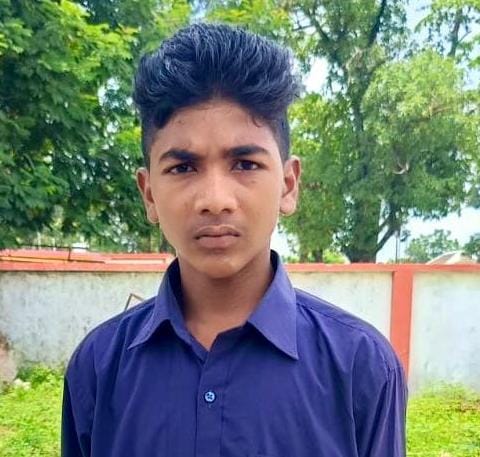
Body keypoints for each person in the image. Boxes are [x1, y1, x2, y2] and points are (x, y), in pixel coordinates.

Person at [61, 22, 407, 457]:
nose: (215, 200)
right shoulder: (97, 368)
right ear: (149, 194)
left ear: (288, 185)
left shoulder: (362, 367)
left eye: (244, 164)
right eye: (183, 168)